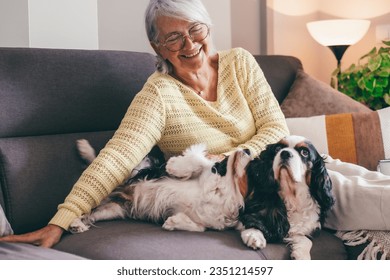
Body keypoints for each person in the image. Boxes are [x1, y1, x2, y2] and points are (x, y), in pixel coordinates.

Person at [1, 0, 389, 249]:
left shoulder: (239, 63)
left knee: (368, 181)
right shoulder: (158, 95)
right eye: (173, 37)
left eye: (195, 30)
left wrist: (237, 156)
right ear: (157, 47)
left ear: (207, 28)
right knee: (363, 200)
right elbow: (117, 157)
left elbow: (275, 127)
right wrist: (61, 220)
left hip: (292, 173)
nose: (189, 44)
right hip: (261, 194)